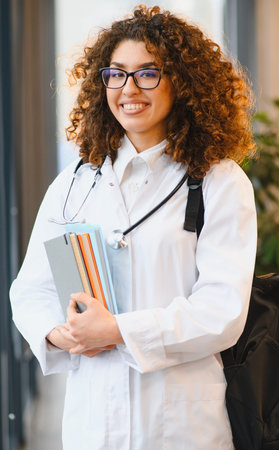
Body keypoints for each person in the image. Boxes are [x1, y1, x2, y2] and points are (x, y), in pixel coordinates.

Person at [10, 5, 257, 449]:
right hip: (93, 423)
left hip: (181, 426)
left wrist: (118, 331)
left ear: (181, 82)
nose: (128, 89)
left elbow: (222, 311)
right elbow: (31, 288)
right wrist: (58, 331)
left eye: (147, 73)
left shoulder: (218, 180)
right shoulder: (74, 183)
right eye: (117, 74)